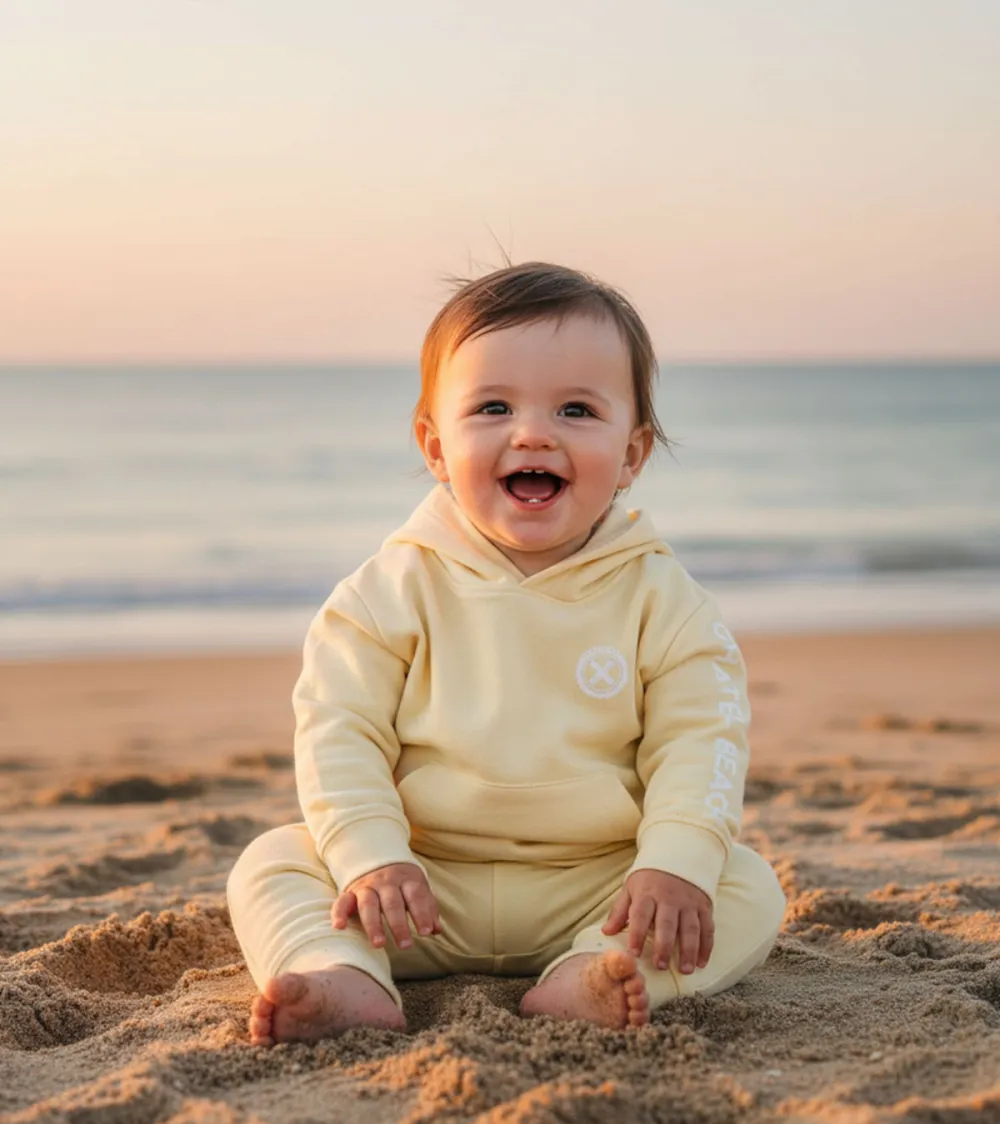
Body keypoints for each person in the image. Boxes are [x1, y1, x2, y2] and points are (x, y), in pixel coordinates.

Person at [226, 260, 787, 1044]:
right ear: (434, 444)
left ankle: (594, 974)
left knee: (744, 885)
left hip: (599, 888)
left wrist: (673, 864)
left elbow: (703, 738)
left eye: (576, 409)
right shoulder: (388, 590)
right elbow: (337, 731)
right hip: (420, 892)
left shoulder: (665, 600)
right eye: (492, 406)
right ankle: (344, 973)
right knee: (273, 861)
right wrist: (370, 857)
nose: (533, 432)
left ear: (632, 454)